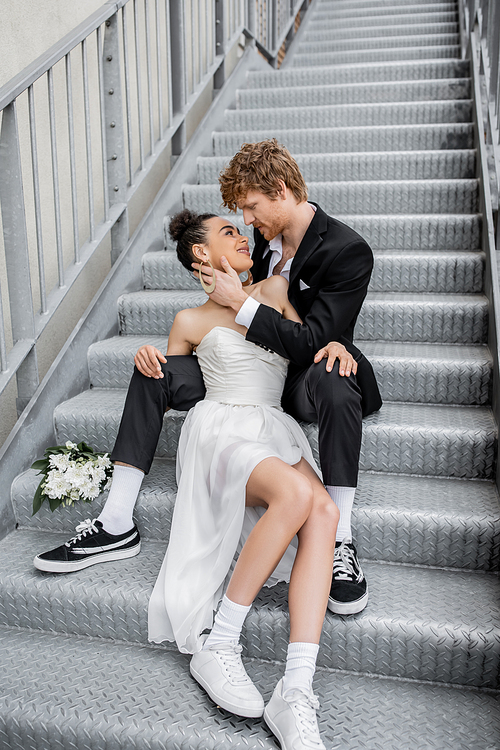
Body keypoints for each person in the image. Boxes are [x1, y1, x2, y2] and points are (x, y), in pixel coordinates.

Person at [34, 139, 382, 618]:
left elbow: (308, 339)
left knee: (335, 371)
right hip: (247, 370)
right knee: (152, 369)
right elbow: (233, 304)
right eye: (240, 214)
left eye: (252, 208)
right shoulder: (262, 243)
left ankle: (341, 539)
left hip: (304, 373)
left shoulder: (347, 250)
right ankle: (115, 523)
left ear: (280, 190)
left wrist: (247, 306)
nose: (248, 222)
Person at [148, 209, 341, 750]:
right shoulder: (188, 321)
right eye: (227, 231)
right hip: (222, 427)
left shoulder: (275, 288)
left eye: (242, 227)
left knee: (324, 511)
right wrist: (150, 362)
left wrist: (337, 343)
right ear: (200, 256)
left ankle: (296, 689)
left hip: (273, 427)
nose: (242, 235)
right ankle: (221, 642)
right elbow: (175, 385)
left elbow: (307, 343)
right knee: (299, 494)